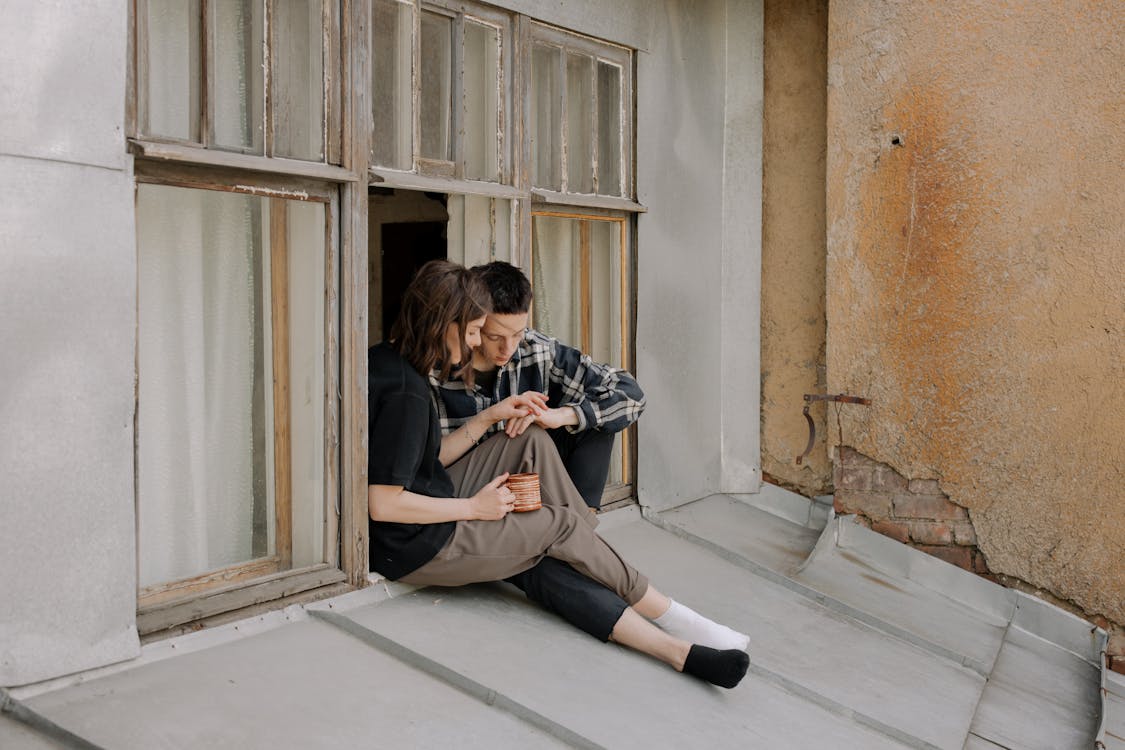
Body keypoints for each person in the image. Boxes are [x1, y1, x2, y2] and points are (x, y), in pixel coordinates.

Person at [368, 260, 750, 689]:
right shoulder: (411, 393)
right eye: (480, 332)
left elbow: (426, 460)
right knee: (558, 531)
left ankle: (593, 561)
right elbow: (382, 503)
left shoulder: (389, 359)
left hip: (430, 505)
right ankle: (672, 621)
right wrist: (475, 507)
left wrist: (494, 417)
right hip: (418, 544)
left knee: (531, 442)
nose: (484, 344)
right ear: (446, 324)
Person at [430, 261, 644, 510]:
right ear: (472, 323)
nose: (508, 349)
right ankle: (575, 534)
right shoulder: (434, 368)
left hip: (527, 489)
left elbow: (630, 393)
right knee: (532, 436)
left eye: (517, 334)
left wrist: (562, 415)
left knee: (593, 419)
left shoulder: (537, 349)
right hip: (464, 495)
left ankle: (579, 522)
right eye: (494, 337)